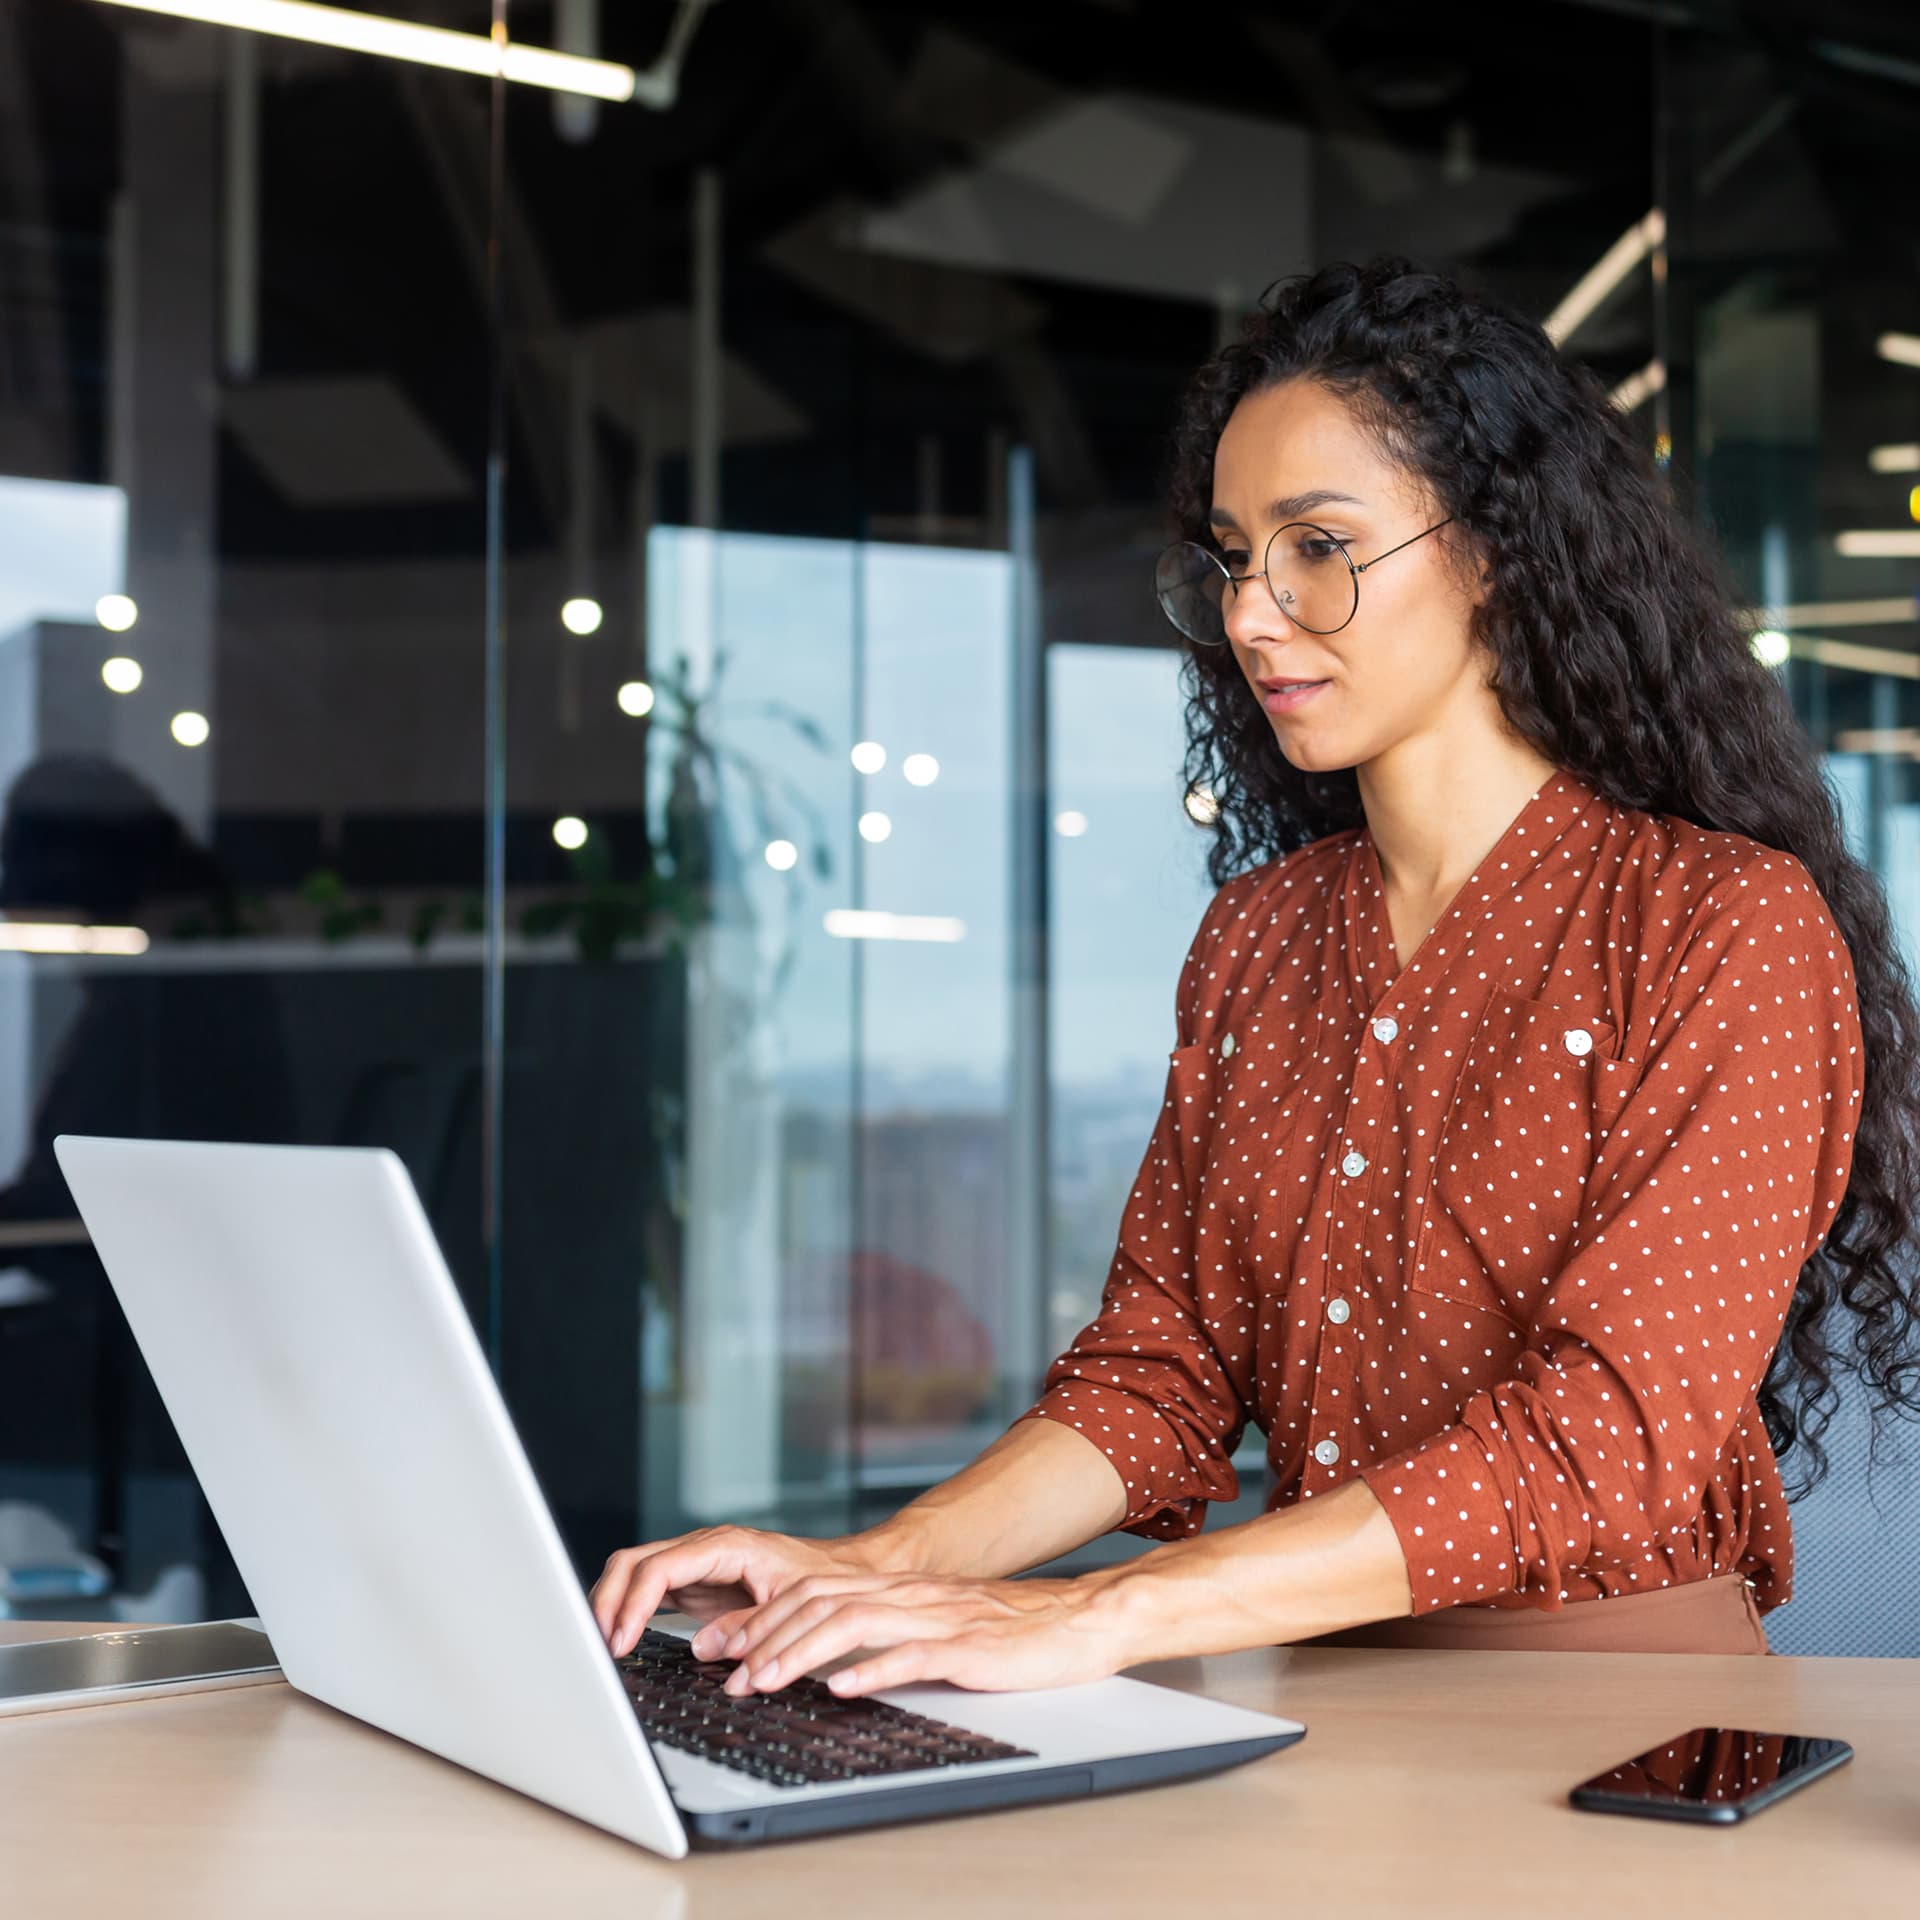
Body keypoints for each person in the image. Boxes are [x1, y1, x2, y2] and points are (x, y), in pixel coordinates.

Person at [589, 256, 1920, 1691]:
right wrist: (884, 1565)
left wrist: (1100, 1615)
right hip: (1318, 1697)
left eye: (1316, 549)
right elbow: (1160, 1376)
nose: (1250, 614)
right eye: (1232, 557)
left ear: (1498, 548)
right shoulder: (1261, 940)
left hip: (1621, 1719)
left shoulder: (1724, 924)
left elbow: (1610, 1444)